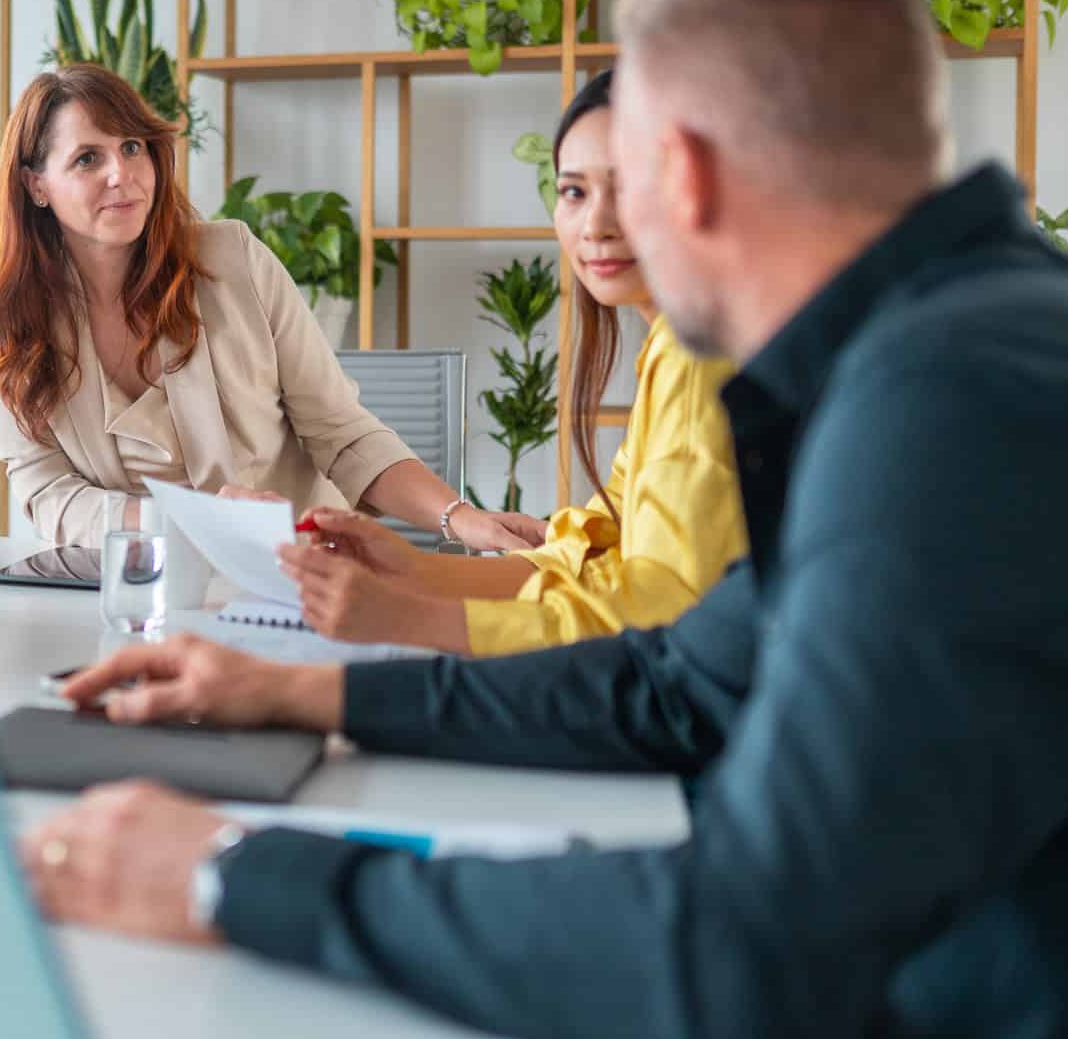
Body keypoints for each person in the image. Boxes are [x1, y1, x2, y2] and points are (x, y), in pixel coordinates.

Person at [18, 0, 1068, 1039]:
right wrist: (306, 697)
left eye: (622, 183)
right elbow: (682, 679)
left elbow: (735, 949)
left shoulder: (953, 413)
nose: (598, 228)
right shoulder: (970, 345)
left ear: (686, 176)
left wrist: (229, 874)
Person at [0, 62, 542, 553]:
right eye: (86, 159)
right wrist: (186, 522)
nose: (121, 174)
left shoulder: (232, 260)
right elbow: (45, 489)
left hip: (297, 571)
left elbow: (342, 434)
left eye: (132, 147)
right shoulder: (11, 313)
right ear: (36, 185)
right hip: (136, 585)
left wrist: (460, 518)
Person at [289, 69, 748, 655]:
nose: (597, 226)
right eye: (574, 192)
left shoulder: (701, 355)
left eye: (631, 188)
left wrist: (409, 615)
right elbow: (612, 555)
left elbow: (658, 608)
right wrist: (411, 571)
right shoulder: (673, 346)